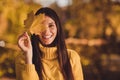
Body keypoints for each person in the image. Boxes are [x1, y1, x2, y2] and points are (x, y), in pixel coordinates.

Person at [15, 7, 84, 80]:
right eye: (41, 26)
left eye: (51, 25)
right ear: (34, 29)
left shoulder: (72, 57)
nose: (46, 32)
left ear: (57, 27)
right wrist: (28, 56)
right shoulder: (22, 59)